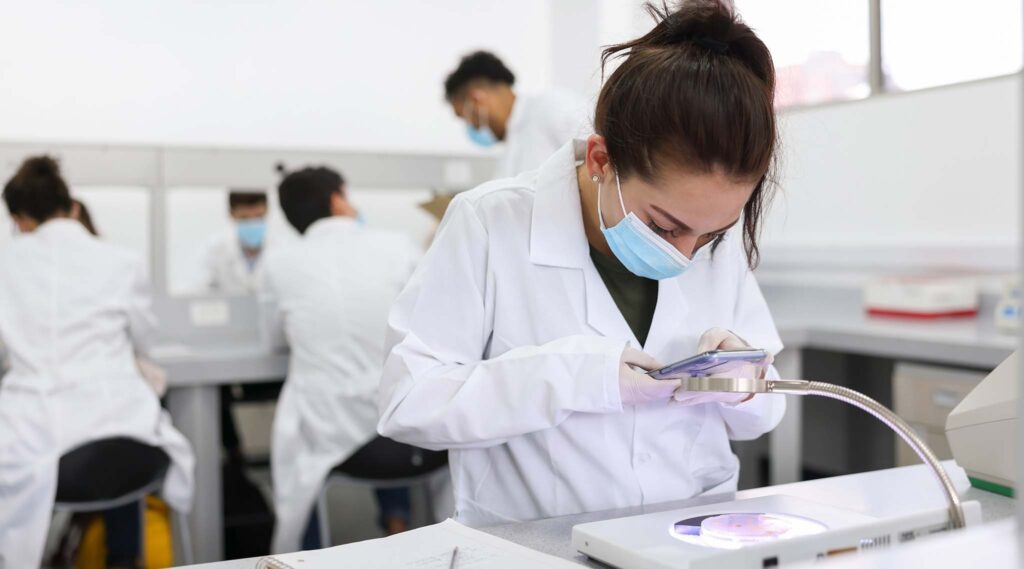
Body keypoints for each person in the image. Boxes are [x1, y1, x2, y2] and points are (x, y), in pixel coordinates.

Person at [379, 0, 785, 527]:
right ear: (600, 160)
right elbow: (408, 403)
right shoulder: (490, 222)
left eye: (710, 233)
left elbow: (764, 413)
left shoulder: (712, 240)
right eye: (664, 227)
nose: (685, 254)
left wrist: (741, 380)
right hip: (538, 544)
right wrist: (574, 375)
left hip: (691, 534)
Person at [0, 156, 194, 568]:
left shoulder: (7, 264)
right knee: (117, 441)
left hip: (44, 447)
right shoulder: (121, 261)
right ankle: (122, 560)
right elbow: (144, 338)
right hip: (131, 448)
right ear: (70, 206)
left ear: (20, 219)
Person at [261, 166, 428, 553]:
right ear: (337, 199)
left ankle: (305, 557)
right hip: (412, 442)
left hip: (335, 433)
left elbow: (271, 340)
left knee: (300, 468)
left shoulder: (279, 263)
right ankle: (398, 525)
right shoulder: (398, 246)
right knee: (388, 408)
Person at [445, 50, 589, 178]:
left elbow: (602, 161)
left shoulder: (552, 107)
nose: (471, 127)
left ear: (477, 100)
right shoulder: (510, 149)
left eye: (466, 118)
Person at [199, 190, 272, 294]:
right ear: (231, 214)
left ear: (266, 210)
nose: (252, 224)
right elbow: (201, 292)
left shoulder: (281, 249)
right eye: (244, 218)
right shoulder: (216, 250)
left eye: (258, 217)